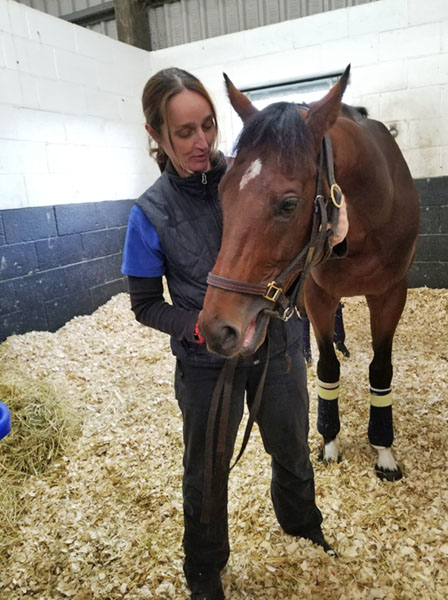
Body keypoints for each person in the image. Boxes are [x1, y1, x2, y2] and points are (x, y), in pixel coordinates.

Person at [121, 68, 335, 600]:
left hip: (276, 342)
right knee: (207, 468)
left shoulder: (249, 173)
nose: (202, 143)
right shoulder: (148, 214)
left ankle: (302, 521)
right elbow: (145, 304)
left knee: (291, 446)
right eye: (185, 132)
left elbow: (301, 226)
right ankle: (204, 569)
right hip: (205, 360)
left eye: (209, 126)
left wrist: (338, 224)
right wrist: (194, 326)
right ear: (156, 135)